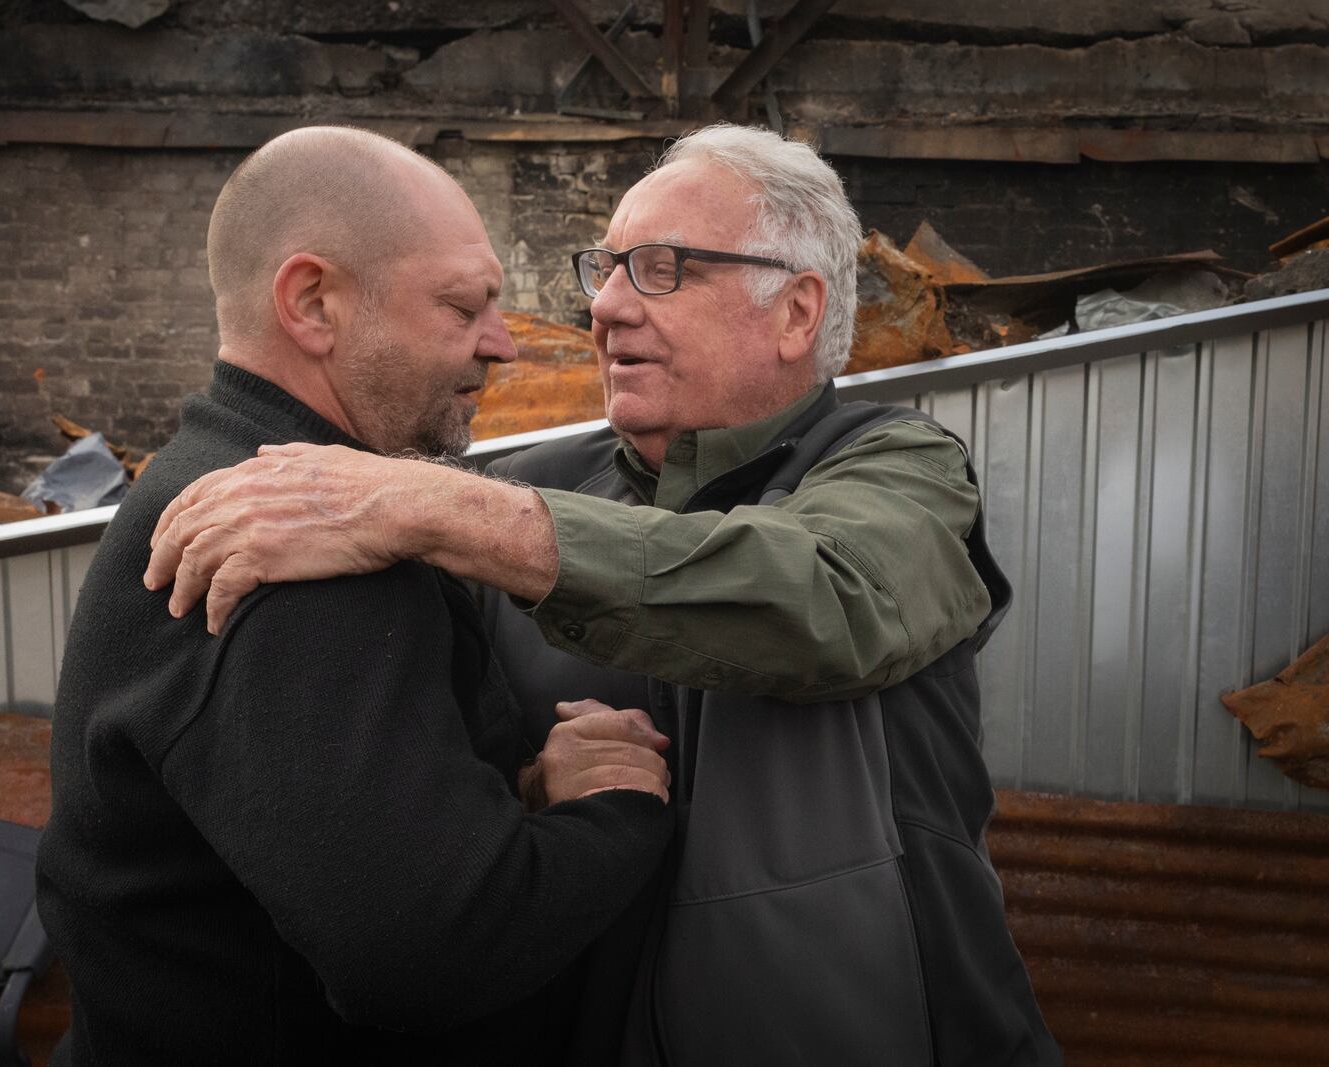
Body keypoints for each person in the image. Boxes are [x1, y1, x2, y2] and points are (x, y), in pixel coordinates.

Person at [144, 124, 1061, 1065]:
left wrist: (429, 503)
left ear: (795, 312)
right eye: (608, 267)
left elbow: (830, 597)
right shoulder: (513, 494)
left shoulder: (903, 472)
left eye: (663, 268)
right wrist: (533, 794)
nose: (609, 306)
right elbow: (436, 803)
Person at [34, 126, 678, 1067]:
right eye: (462, 306)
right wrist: (618, 807)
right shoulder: (286, 557)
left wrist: (515, 798)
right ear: (312, 302)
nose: (501, 343)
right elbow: (429, 954)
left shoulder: (235, 482)